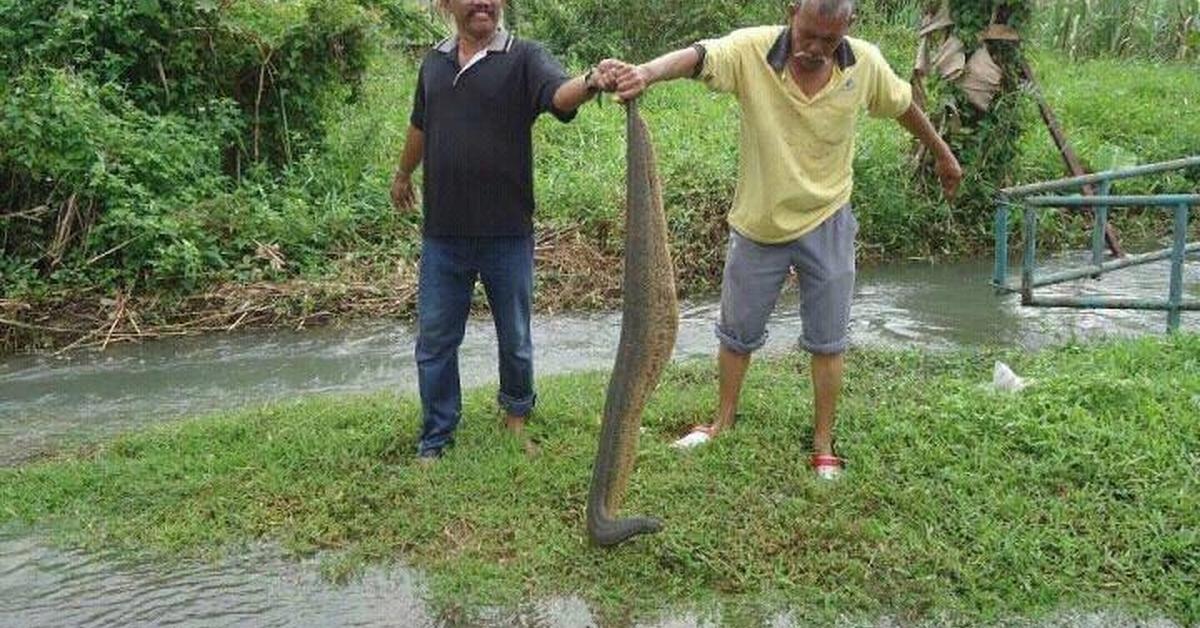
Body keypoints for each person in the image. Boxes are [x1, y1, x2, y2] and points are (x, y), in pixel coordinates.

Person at [603, 0, 963, 478]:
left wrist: (942, 155)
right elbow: (698, 56)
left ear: (847, 28)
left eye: (828, 41)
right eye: (808, 34)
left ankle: (822, 443)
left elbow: (903, 106)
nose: (814, 49)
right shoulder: (753, 49)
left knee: (828, 340)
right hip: (760, 222)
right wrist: (645, 73)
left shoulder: (865, 63)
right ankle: (723, 421)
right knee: (736, 334)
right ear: (791, 11)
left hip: (828, 218)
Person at [391, 0, 615, 463]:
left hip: (507, 233)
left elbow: (558, 95)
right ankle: (436, 435)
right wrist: (401, 174)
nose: (484, 2)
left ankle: (516, 417)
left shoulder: (524, 58)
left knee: (514, 335)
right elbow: (420, 124)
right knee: (435, 339)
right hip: (443, 236)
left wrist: (592, 81)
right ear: (446, 4)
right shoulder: (433, 63)